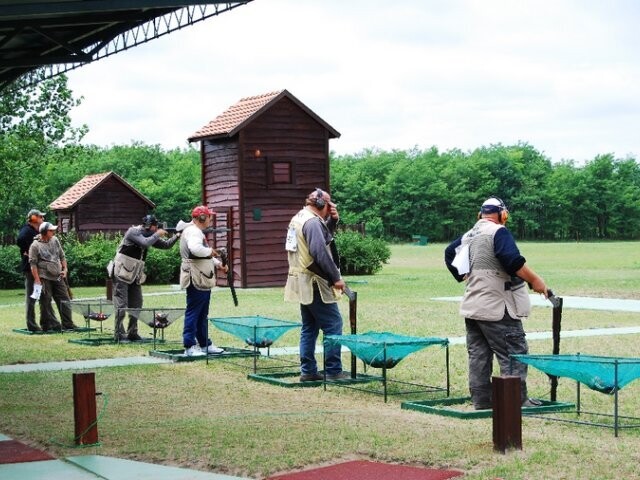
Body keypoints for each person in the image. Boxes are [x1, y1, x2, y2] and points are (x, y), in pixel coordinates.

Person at [444, 197, 548, 410]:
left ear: (480, 214)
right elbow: (513, 261)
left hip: (473, 306)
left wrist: (463, 274)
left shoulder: (469, 235)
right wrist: (536, 280)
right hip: (498, 308)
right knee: (513, 353)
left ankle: (482, 401)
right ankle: (516, 401)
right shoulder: (498, 232)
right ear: (503, 215)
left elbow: (448, 253)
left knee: (479, 355)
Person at [284, 188, 348, 382]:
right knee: (333, 324)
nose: (332, 207)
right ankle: (333, 370)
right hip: (315, 281)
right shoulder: (311, 222)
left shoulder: (301, 217)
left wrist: (333, 221)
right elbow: (319, 251)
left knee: (309, 327)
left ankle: (309, 371)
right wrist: (335, 277)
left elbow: (322, 236)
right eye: (330, 204)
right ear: (323, 205)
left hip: (304, 281)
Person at [111, 214, 179, 342]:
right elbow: (145, 243)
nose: (156, 229)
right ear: (150, 226)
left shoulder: (150, 235)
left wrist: (177, 236)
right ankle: (118, 334)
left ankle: (132, 332)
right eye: (155, 227)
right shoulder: (133, 232)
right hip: (121, 273)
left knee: (137, 304)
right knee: (122, 304)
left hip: (134, 274)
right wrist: (158, 234)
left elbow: (166, 245)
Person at [179, 205, 227, 357]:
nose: (210, 219)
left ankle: (204, 343)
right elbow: (196, 249)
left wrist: (218, 264)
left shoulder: (194, 231)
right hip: (197, 276)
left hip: (200, 276)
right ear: (202, 218)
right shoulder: (194, 232)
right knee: (194, 313)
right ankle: (190, 345)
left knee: (201, 314)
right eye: (208, 216)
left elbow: (201, 254)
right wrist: (211, 251)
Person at [29, 221, 78, 331]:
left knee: (65, 299)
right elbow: (33, 265)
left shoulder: (55, 240)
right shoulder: (35, 245)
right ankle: (47, 325)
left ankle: (68, 324)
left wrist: (65, 270)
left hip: (58, 275)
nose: (53, 232)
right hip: (43, 276)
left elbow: (62, 256)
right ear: (45, 232)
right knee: (45, 301)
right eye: (51, 230)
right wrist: (37, 280)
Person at [16, 209, 46, 331]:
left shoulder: (35, 230)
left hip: (40, 268)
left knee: (43, 296)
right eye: (40, 217)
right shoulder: (26, 231)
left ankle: (46, 323)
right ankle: (32, 325)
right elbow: (20, 240)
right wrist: (29, 252)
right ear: (33, 218)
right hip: (30, 269)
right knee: (31, 297)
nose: (43, 219)